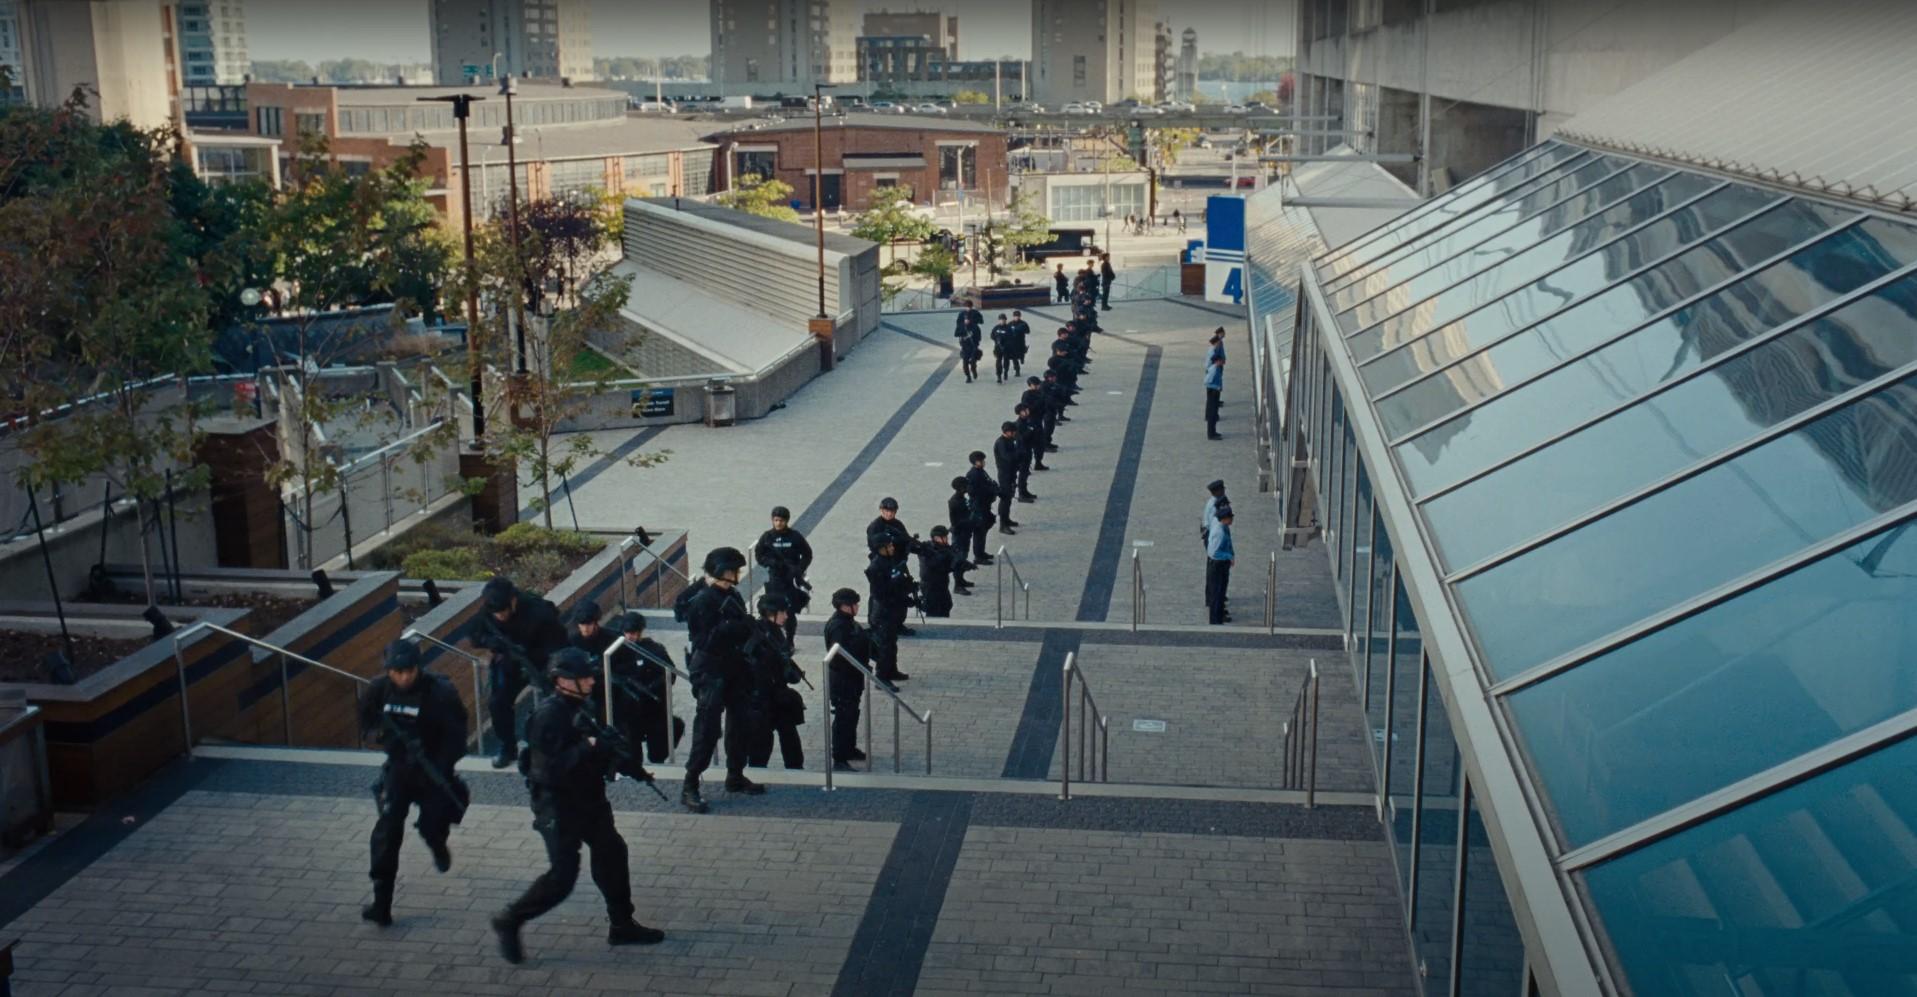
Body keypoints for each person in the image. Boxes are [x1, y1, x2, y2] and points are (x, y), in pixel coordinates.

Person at [492, 648, 664, 964]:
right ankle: (510, 919)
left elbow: (599, 748)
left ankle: (622, 924)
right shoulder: (548, 715)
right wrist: (588, 747)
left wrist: (625, 763)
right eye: (583, 676)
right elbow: (550, 770)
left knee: (612, 853)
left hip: (589, 799)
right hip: (558, 806)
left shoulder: (582, 705)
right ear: (562, 681)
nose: (590, 680)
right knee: (562, 877)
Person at [360, 640, 469, 928]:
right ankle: (381, 903)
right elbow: (366, 727)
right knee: (386, 833)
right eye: (397, 671)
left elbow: (458, 734)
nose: (404, 677)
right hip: (398, 771)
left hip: (433, 770)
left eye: (409, 670)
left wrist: (440, 762)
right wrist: (387, 740)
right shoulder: (378, 690)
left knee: (435, 822)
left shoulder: (440, 692)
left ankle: (437, 843)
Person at [679, 546, 762, 814]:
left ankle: (735, 775)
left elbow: (741, 623)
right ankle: (690, 784)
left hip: (734, 666)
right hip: (710, 669)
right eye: (731, 571)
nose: (735, 575)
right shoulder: (702, 599)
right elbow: (703, 639)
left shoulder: (732, 594)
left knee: (741, 723)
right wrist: (732, 628)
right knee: (707, 728)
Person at [473, 576, 569, 769]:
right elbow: (476, 635)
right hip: (510, 663)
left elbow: (559, 644)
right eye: (496, 614)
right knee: (497, 702)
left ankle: (560, 745)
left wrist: (539, 659)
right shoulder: (489, 611)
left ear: (513, 601)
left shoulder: (539, 612)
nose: (499, 617)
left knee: (557, 704)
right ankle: (508, 747)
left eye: (503, 612)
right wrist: (493, 643)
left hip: (542, 661)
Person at [608, 611, 686, 765]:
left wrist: (651, 687)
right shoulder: (616, 650)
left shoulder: (654, 649)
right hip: (628, 709)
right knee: (632, 753)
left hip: (653, 707)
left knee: (658, 751)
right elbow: (607, 673)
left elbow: (670, 673)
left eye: (635, 633)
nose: (632, 637)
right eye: (628, 633)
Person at [743, 594, 807, 771]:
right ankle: (757, 772)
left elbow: (783, 662)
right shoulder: (757, 635)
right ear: (771, 613)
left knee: (789, 734)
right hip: (761, 697)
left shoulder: (777, 633)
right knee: (761, 740)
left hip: (778, 694)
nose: (786, 616)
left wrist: (790, 672)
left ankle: (795, 768)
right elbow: (753, 664)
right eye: (783, 612)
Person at [822, 589, 871, 771]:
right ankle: (840, 757)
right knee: (843, 717)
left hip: (852, 678)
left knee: (851, 715)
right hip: (843, 680)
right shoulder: (838, 626)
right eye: (855, 604)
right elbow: (839, 655)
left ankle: (849, 748)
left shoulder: (847, 622)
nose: (858, 607)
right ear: (845, 606)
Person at [753, 506, 814, 644]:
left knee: (789, 611)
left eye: (781, 520)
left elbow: (807, 554)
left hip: (790, 578)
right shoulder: (767, 537)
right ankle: (774, 637)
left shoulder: (795, 536)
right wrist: (771, 563)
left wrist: (799, 569)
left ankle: (790, 639)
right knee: (773, 609)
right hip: (775, 578)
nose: (779, 523)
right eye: (776, 520)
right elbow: (759, 555)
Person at [864, 537, 914, 684]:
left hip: (892, 611)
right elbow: (881, 592)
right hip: (883, 613)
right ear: (881, 548)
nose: (892, 548)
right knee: (884, 646)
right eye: (889, 546)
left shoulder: (890, 561)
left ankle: (892, 670)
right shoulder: (875, 567)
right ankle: (882, 676)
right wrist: (896, 586)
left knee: (891, 643)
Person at [915, 525, 966, 617]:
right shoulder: (927, 550)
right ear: (936, 538)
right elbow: (939, 566)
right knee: (934, 611)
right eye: (944, 537)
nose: (947, 540)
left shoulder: (943, 548)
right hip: (931, 587)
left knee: (946, 606)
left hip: (941, 585)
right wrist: (953, 564)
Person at [965, 449, 1003, 551]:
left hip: (984, 504)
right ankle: (979, 554)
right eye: (980, 461)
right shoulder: (973, 475)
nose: (983, 462)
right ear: (974, 462)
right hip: (979, 506)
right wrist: (990, 491)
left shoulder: (980, 472)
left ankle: (981, 552)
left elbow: (989, 482)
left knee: (984, 529)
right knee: (980, 531)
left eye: (983, 460)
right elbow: (974, 491)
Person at [1206, 505, 1235, 625]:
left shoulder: (1224, 527)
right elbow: (1213, 552)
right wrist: (1228, 556)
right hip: (1217, 565)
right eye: (1230, 517)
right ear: (1224, 518)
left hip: (1222, 564)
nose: (1232, 520)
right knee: (1217, 593)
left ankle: (1218, 618)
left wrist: (1231, 554)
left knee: (1221, 591)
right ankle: (1215, 621)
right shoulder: (1219, 532)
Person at [993, 422, 1023, 523]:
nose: (1015, 434)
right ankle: (1003, 522)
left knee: (1009, 497)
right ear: (1008, 432)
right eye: (1013, 432)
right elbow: (1008, 457)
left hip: (1011, 472)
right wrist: (1018, 453)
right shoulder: (1001, 443)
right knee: (1005, 498)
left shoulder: (1010, 440)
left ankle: (1007, 519)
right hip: (1004, 473)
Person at [1016, 403, 1048, 480]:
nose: (1027, 411)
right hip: (1024, 445)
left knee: (1035, 453)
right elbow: (1021, 437)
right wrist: (1030, 430)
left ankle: (1037, 463)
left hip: (1032, 441)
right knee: (1025, 458)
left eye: (1027, 409)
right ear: (1020, 413)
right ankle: (1024, 470)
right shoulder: (1019, 424)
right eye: (1024, 410)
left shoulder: (1029, 419)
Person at [956, 305, 984, 383]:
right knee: (965, 365)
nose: (966, 321)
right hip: (965, 347)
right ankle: (968, 376)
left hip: (973, 347)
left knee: (972, 362)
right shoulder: (961, 327)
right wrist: (962, 333)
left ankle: (974, 370)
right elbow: (956, 334)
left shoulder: (975, 327)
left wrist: (975, 342)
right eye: (965, 319)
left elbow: (979, 337)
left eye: (967, 319)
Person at [1205, 353, 1225, 440]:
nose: (1222, 362)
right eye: (1221, 361)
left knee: (1213, 413)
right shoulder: (1213, 370)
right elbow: (1206, 382)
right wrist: (1216, 387)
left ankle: (1213, 432)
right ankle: (1211, 434)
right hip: (1212, 392)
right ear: (1217, 361)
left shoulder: (1216, 368)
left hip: (1215, 392)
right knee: (1212, 414)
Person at [990, 314, 1013, 383]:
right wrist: (997, 340)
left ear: (1005, 320)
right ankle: (999, 376)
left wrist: (1004, 342)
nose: (1002, 321)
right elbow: (992, 336)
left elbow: (1011, 338)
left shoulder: (1008, 328)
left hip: (1006, 348)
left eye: (1003, 320)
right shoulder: (996, 328)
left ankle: (1006, 371)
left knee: (1006, 361)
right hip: (998, 348)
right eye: (1001, 320)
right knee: (998, 362)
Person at [1007, 311, 1031, 377]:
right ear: (1013, 316)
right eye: (1015, 316)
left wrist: (1028, 343)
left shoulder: (1023, 324)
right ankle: (1017, 370)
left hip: (1021, 342)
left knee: (1021, 353)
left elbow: (1028, 332)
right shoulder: (1010, 324)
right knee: (1014, 358)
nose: (1017, 317)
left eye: (1018, 316)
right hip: (1012, 343)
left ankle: (1022, 357)